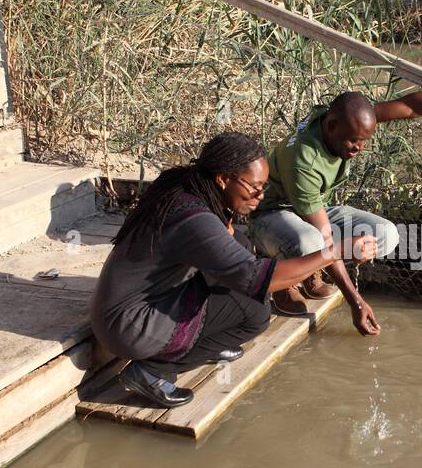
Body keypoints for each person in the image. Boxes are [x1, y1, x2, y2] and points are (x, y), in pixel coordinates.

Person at [89, 132, 377, 408]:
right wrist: (336, 251)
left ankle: (201, 345)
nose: (261, 195)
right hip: (130, 325)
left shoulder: (187, 187)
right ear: (223, 179)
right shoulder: (194, 219)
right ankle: (153, 371)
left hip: (134, 303)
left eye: (265, 187)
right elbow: (257, 280)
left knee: (238, 242)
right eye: (255, 187)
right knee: (255, 311)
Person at [250, 76, 422, 335]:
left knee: (386, 235)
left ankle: (311, 267)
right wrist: (356, 301)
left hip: (313, 208)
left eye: (364, 140)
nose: (359, 148)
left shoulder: (344, 118)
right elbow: (325, 237)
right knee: (310, 242)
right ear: (330, 126)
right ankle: (283, 275)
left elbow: (409, 107)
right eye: (353, 140)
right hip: (271, 214)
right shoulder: (304, 162)